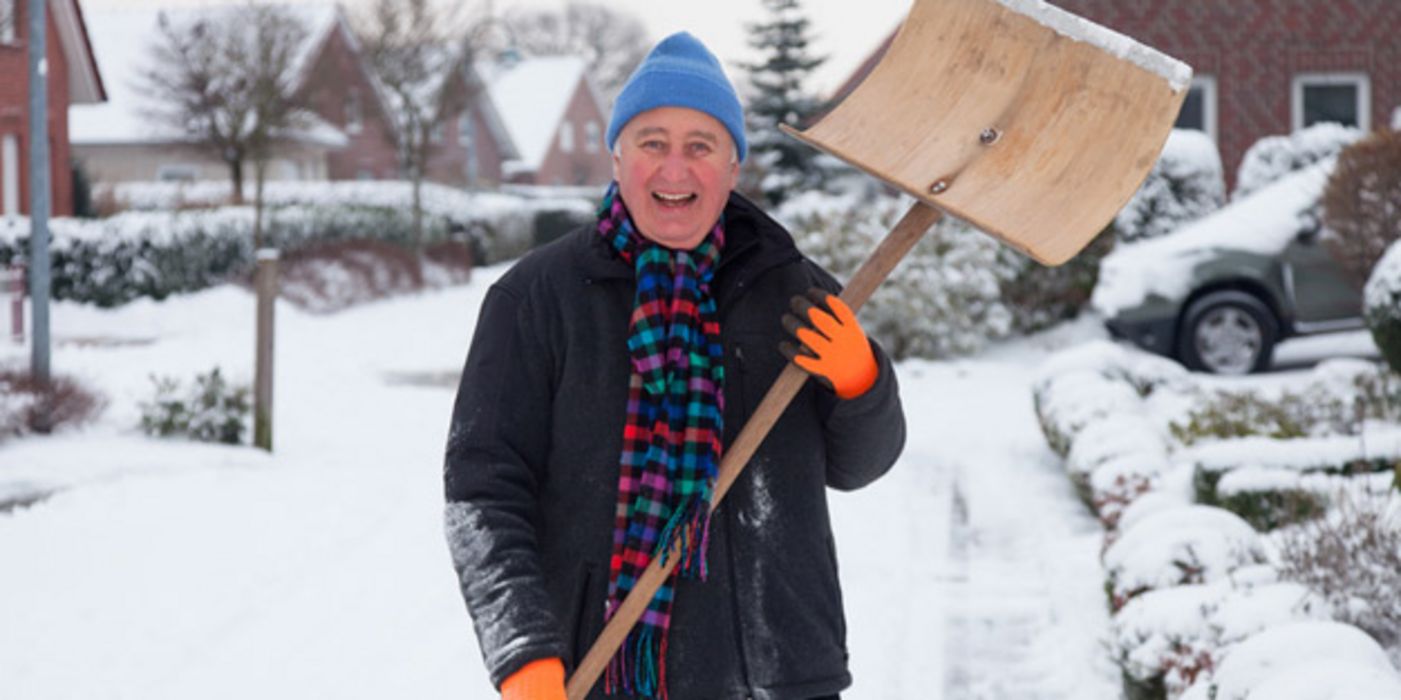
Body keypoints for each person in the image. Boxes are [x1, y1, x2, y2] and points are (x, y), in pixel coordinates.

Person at [444, 31, 906, 700]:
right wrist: (523, 653)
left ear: (732, 167)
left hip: (772, 671)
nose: (674, 169)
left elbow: (861, 464)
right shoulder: (536, 299)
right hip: (596, 670)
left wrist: (861, 381)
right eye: (651, 143)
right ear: (616, 157)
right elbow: (481, 491)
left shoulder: (793, 293)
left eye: (700, 146)